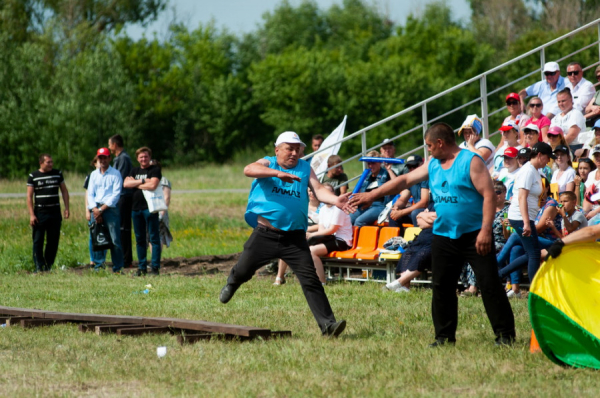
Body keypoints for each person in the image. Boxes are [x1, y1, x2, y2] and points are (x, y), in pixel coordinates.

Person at [348, 122, 515, 347]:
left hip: (474, 234)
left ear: (440, 143)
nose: (428, 150)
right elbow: (405, 180)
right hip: (444, 234)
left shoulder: (470, 161)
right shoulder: (434, 163)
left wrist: (485, 231)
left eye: (429, 146)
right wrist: (373, 194)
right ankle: (444, 338)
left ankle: (505, 336)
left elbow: (488, 196)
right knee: (442, 286)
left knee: (490, 284)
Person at [219, 131, 348, 337]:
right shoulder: (269, 163)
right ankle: (233, 282)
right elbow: (248, 169)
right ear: (277, 149)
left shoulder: (305, 168)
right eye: (289, 148)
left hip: (294, 238)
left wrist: (335, 200)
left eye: (297, 149)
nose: (294, 153)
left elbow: (318, 190)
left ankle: (328, 326)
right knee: (244, 270)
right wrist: (278, 174)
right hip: (265, 234)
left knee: (310, 280)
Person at [504, 142, 555, 283]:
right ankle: (534, 289)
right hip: (521, 217)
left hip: (525, 217)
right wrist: (526, 222)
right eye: (547, 157)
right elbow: (522, 197)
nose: (548, 161)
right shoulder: (528, 171)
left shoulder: (533, 170)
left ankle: (499, 273)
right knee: (533, 253)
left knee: (531, 252)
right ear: (539, 155)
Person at [26, 154, 70, 272]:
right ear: (41, 163)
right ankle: (38, 266)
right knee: (38, 240)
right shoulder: (33, 176)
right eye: (48, 162)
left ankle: (48, 266)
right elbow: (29, 196)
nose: (51, 164)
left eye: (52, 162)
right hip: (40, 212)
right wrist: (32, 214)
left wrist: (66, 208)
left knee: (53, 241)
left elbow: (64, 191)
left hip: (54, 212)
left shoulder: (57, 174)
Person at [123, 147, 162, 276]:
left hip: (150, 208)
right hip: (135, 209)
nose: (143, 159)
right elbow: (126, 184)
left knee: (153, 238)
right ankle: (142, 267)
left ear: (149, 157)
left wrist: (136, 183)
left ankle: (155, 268)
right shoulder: (134, 170)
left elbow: (153, 185)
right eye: (141, 157)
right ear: (137, 158)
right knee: (140, 239)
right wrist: (144, 181)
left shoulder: (155, 170)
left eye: (145, 156)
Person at [87, 148, 124, 273]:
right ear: (97, 159)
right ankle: (98, 266)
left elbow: (115, 195)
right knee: (97, 237)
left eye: (105, 157)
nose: (102, 160)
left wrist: (101, 210)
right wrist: (94, 209)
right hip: (96, 207)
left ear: (109, 158)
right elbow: (90, 193)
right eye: (100, 158)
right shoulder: (93, 175)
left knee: (114, 239)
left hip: (110, 209)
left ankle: (118, 267)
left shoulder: (115, 174)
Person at [306, 184, 353, 284]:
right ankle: (310, 279)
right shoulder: (323, 209)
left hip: (342, 241)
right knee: (303, 246)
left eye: (329, 192)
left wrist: (311, 235)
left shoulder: (338, 208)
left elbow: (332, 229)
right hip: (330, 238)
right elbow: (321, 229)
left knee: (312, 251)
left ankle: (321, 281)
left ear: (333, 194)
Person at [384, 204, 436, 293]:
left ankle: (399, 282)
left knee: (422, 254)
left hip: (435, 240)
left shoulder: (449, 205)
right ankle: (405, 287)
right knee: (407, 253)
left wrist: (424, 215)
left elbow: (443, 221)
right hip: (422, 238)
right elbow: (420, 223)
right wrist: (430, 219)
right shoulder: (433, 203)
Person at [108, 134, 134, 268]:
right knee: (120, 228)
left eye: (109, 144)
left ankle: (126, 259)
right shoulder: (119, 158)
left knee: (124, 228)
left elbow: (120, 179)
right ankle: (122, 258)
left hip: (123, 196)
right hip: (119, 196)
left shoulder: (123, 158)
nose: (109, 147)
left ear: (115, 145)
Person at [349, 151, 393, 227]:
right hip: (365, 204)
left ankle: (361, 238)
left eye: (373, 163)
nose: (370, 166)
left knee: (359, 221)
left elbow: (396, 183)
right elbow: (358, 192)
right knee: (348, 220)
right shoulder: (366, 175)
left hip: (379, 206)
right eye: (368, 163)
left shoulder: (386, 174)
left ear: (379, 163)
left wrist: (389, 170)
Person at [388, 155, 429, 227]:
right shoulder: (411, 181)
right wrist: (396, 207)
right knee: (392, 214)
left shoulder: (426, 178)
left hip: (428, 210)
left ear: (421, 165)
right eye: (409, 167)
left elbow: (424, 203)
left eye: (414, 166)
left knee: (415, 213)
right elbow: (403, 199)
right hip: (416, 210)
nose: (412, 169)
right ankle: (396, 238)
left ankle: (419, 237)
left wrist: (402, 212)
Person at [84, 156, 107, 268]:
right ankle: (93, 259)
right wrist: (87, 211)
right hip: (93, 208)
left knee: (105, 235)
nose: (100, 163)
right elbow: (88, 195)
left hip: (104, 208)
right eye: (98, 161)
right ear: (94, 163)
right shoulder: (91, 176)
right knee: (93, 235)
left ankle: (103, 259)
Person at [150, 159, 173, 250]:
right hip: (150, 210)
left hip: (160, 210)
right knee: (150, 236)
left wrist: (162, 213)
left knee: (158, 236)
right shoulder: (148, 180)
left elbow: (166, 197)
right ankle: (154, 259)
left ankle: (156, 259)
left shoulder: (163, 181)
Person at [583, 145, 600, 222]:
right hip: (591, 211)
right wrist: (584, 212)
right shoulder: (591, 174)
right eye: (596, 155)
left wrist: (594, 212)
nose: (598, 158)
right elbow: (587, 197)